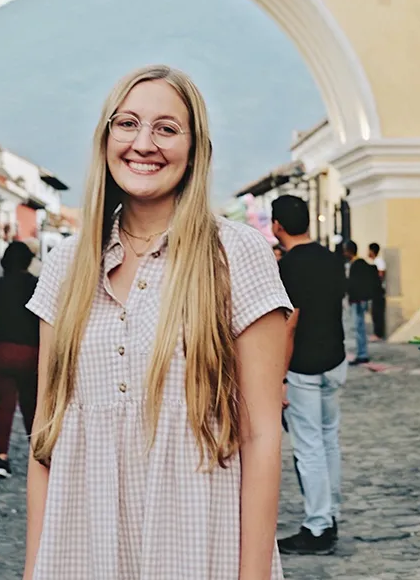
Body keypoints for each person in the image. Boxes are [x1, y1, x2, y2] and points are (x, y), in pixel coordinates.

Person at [23, 65, 291, 580]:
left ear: (194, 149)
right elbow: (46, 435)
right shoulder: (66, 264)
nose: (143, 143)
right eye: (127, 124)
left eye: (166, 129)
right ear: (105, 138)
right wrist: (35, 568)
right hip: (83, 547)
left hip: (196, 542)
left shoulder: (237, 256)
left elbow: (261, 435)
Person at [272, 195, 346, 555]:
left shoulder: (288, 267)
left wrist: (279, 377)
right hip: (334, 359)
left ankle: (317, 525)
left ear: (277, 226)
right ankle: (330, 513)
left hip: (302, 366)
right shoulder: (332, 259)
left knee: (308, 447)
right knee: (329, 440)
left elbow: (289, 324)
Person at [0, 241, 39, 478]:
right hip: (30, 352)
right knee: (32, 407)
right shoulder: (36, 285)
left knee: (4, 407)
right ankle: (37, 456)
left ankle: (1, 458)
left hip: (1, 350)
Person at [343, 240, 380, 364]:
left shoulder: (357, 265)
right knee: (359, 327)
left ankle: (362, 354)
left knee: (359, 327)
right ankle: (361, 352)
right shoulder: (360, 263)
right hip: (360, 299)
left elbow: (355, 284)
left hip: (358, 300)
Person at [368, 242, 387, 340]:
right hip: (375, 291)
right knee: (375, 312)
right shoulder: (376, 261)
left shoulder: (379, 261)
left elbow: (381, 274)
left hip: (378, 291)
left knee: (377, 312)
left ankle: (378, 334)